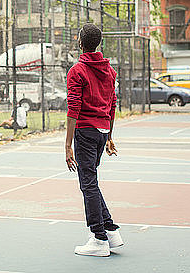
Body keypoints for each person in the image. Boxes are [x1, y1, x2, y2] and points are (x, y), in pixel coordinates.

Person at [65, 23, 123, 257]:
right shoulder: (109, 71)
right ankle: (109, 230)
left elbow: (73, 109)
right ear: (98, 43)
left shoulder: (76, 71)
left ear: (80, 42)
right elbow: (112, 105)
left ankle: (98, 238)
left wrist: (67, 144)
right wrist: (109, 136)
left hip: (86, 132)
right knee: (91, 181)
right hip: (101, 132)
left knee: (87, 183)